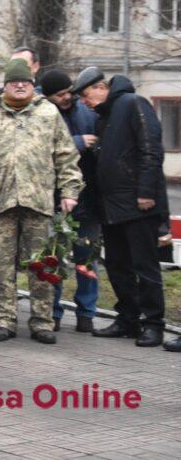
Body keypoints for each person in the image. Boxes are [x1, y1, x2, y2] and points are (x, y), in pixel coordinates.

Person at [0, 58, 82, 346]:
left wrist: (70, 191)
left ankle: (42, 321)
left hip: (38, 202)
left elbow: (66, 155)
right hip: (0, 203)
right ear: (6, 86)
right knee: (0, 266)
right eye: (14, 82)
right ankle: (4, 319)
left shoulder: (48, 113)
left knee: (42, 264)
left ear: (32, 85)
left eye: (25, 82)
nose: (20, 86)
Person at [74, 67, 169, 347]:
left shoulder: (132, 103)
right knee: (117, 266)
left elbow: (151, 148)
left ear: (101, 87)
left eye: (86, 94)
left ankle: (154, 324)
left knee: (145, 267)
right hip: (111, 205)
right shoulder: (104, 117)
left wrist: (146, 192)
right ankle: (128, 319)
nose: (84, 101)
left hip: (138, 204)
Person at [42, 70, 100, 333]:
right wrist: (77, 142)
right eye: (60, 94)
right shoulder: (42, 114)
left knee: (86, 259)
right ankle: (52, 312)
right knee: (54, 258)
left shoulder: (87, 111)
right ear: (48, 96)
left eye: (69, 92)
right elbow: (42, 150)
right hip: (54, 200)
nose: (67, 97)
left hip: (87, 199)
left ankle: (86, 313)